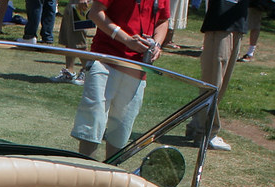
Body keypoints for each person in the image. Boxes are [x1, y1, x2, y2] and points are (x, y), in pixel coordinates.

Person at [71, 0, 170, 158]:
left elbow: (163, 21)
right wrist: (127, 40)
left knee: (122, 128)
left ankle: (111, 174)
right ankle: (86, 175)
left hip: (136, 69)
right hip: (105, 61)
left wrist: (156, 44)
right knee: (93, 123)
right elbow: (95, 13)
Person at [185, 0, 248, 151]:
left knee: (219, 81)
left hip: (236, 19)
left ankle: (198, 125)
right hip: (220, 21)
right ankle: (206, 132)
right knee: (214, 80)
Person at [51, 0, 94, 83]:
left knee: (79, 42)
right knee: (69, 39)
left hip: (81, 4)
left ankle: (88, 72)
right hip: (73, 3)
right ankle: (69, 72)